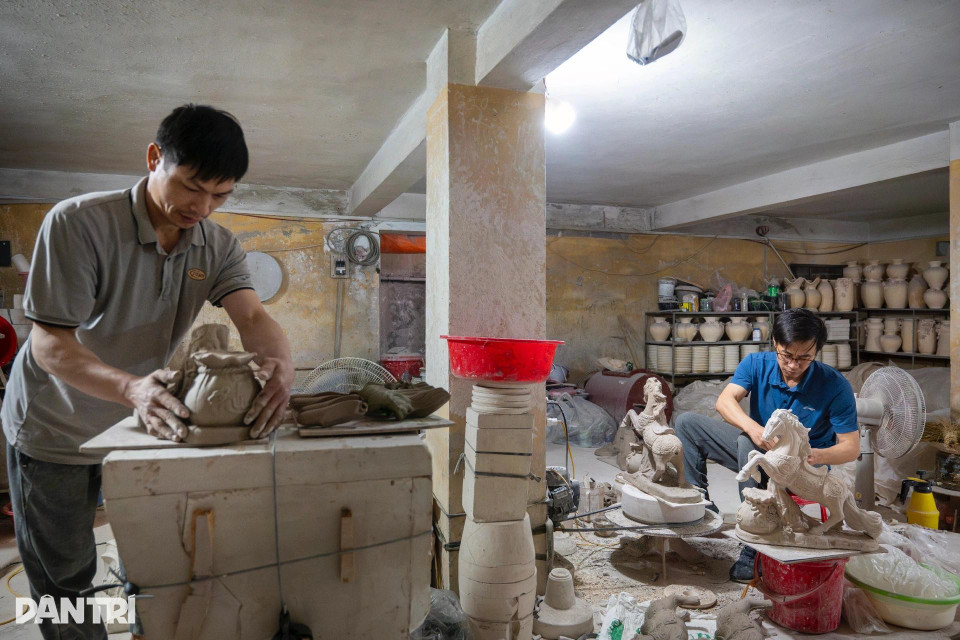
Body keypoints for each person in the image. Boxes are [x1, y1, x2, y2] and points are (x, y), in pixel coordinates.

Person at [2, 104, 294, 639]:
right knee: (65, 579)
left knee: (149, 557)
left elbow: (253, 317)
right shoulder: (78, 222)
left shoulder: (216, 245)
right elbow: (48, 344)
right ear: (154, 157)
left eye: (220, 195)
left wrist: (282, 366)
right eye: (191, 187)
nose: (201, 207)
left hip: (136, 425)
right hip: (54, 428)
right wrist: (132, 389)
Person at [673, 308, 858, 582]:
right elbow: (724, 401)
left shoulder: (834, 385)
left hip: (801, 469)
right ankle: (700, 505)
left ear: (817, 350)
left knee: (746, 443)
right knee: (688, 423)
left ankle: (754, 541)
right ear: (775, 342)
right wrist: (754, 428)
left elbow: (851, 447)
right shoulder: (757, 364)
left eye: (804, 357)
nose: (793, 364)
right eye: (787, 355)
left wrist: (816, 455)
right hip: (758, 450)